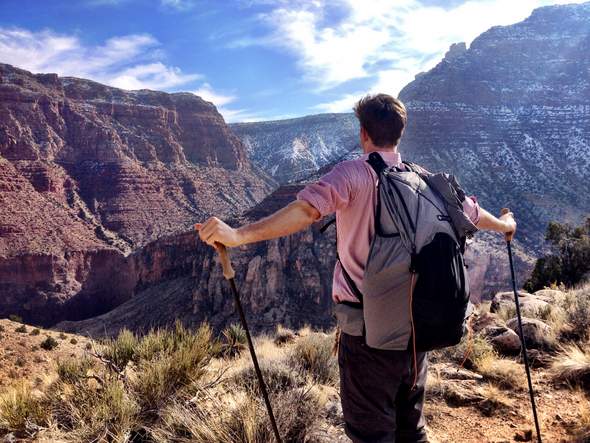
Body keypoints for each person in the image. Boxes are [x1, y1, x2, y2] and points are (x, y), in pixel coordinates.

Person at [196, 93, 516, 443]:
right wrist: (505, 225)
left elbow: (306, 211)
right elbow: (473, 212)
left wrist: (239, 235)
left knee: (370, 435)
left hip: (367, 338)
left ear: (363, 133)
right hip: (418, 331)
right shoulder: (428, 181)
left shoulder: (354, 174)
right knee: (412, 430)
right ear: (400, 133)